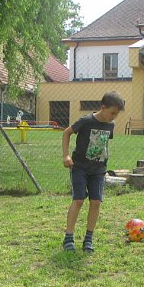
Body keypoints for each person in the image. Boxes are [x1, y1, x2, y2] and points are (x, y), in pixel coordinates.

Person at [61, 91, 125, 253]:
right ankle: (68, 237)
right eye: (112, 113)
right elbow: (66, 132)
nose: (114, 117)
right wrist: (66, 155)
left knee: (96, 202)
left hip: (98, 170)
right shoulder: (86, 121)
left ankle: (88, 239)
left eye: (117, 114)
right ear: (103, 107)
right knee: (79, 200)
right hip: (80, 167)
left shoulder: (110, 125)